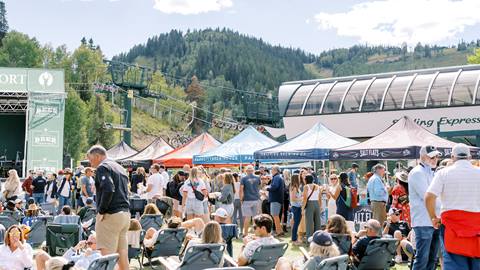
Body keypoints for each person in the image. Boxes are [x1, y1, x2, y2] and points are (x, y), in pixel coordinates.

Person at [425, 143, 480, 270]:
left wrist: (433, 217)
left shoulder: (443, 173)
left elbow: (429, 196)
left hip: (452, 227)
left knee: (454, 262)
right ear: (470, 157)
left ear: (452, 157)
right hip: (477, 226)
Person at [87, 145, 130, 270]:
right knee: (123, 255)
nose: (90, 164)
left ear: (97, 156)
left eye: (91, 160)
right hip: (125, 214)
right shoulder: (120, 168)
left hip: (111, 214)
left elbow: (109, 188)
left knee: (107, 258)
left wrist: (101, 210)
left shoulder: (103, 167)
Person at [409, 145, 441, 270]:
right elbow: (427, 196)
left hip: (434, 219)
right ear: (423, 157)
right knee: (423, 258)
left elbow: (434, 196)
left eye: (437, 156)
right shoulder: (417, 173)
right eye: (432, 156)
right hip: (423, 221)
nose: (435, 159)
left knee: (432, 258)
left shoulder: (432, 172)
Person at [35, 232, 101, 270]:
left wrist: (86, 257)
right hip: (67, 267)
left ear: (98, 244)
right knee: (40, 254)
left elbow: (83, 267)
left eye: (90, 243)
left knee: (41, 256)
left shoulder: (97, 256)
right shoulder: (84, 254)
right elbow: (64, 258)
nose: (87, 245)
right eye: (87, 242)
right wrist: (75, 248)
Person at [240, 165, 261, 236]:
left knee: (247, 217)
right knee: (256, 218)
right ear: (253, 171)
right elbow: (259, 187)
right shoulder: (258, 178)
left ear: (246, 171)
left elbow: (241, 190)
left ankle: (245, 233)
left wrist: (241, 199)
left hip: (247, 200)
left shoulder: (244, 178)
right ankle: (256, 233)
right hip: (256, 199)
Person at [267, 165, 284, 236]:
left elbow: (274, 187)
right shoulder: (278, 177)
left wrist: (267, 188)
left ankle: (279, 231)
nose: (271, 171)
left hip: (275, 199)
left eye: (272, 170)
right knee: (275, 216)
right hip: (277, 199)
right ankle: (279, 231)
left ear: (276, 170)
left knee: (275, 215)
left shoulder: (277, 177)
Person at [303, 174, 322, 239]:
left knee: (309, 223)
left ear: (306, 180)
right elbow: (320, 198)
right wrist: (320, 206)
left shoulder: (306, 186)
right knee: (318, 223)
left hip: (310, 204)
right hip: (317, 204)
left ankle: (309, 239)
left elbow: (305, 198)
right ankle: (319, 238)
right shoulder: (318, 186)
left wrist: (302, 208)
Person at [289, 174, 303, 245]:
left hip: (297, 207)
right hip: (295, 207)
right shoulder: (294, 187)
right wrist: (301, 198)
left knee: (296, 223)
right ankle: (294, 240)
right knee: (296, 224)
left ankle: (295, 238)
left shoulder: (296, 187)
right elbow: (293, 198)